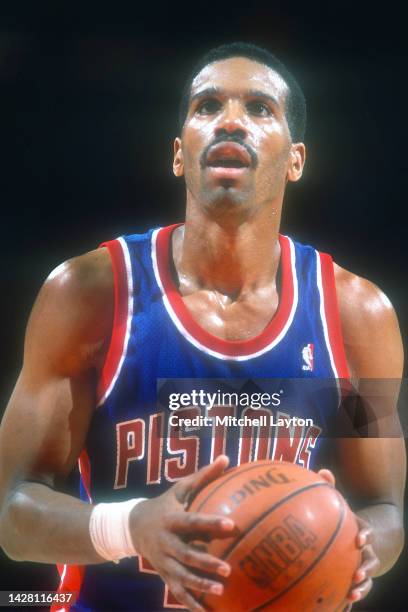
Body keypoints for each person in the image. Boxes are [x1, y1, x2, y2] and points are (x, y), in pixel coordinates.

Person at [0, 42, 405, 612]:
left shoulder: (358, 317)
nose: (231, 120)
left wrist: (351, 548)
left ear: (296, 159)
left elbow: (385, 509)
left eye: (261, 108)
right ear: (178, 153)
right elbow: (13, 513)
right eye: (207, 105)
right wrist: (132, 526)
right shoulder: (90, 295)